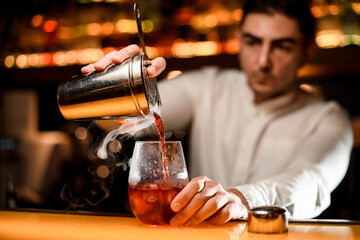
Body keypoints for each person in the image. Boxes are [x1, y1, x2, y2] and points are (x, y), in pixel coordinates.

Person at [81, 0, 353, 226]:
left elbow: (309, 180)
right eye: (253, 42)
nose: (263, 61)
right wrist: (111, 88)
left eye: (282, 46)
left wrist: (241, 199)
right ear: (239, 41)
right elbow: (124, 121)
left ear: (307, 52)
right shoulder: (208, 86)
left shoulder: (329, 119)